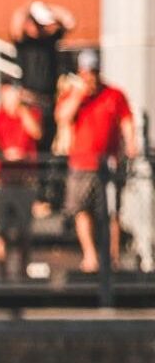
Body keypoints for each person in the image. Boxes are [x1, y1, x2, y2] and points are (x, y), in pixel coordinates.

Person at [56, 48, 137, 274]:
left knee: (111, 211)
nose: (90, 76)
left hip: (108, 164)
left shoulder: (114, 94)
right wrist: (78, 95)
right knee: (82, 209)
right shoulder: (73, 95)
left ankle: (112, 257)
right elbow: (62, 117)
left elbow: (127, 120)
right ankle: (90, 256)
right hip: (81, 163)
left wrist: (131, 143)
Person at [0, 81, 43, 279]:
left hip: (24, 181)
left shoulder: (30, 113)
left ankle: (23, 272)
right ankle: (2, 274)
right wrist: (7, 155)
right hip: (1, 180)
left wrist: (23, 110)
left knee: (24, 230)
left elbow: (37, 133)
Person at [10, 1, 73, 155]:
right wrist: (28, 7)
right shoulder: (24, 43)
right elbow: (15, 26)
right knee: (30, 145)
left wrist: (50, 9)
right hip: (30, 102)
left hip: (48, 102)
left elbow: (70, 22)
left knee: (47, 146)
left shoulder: (50, 41)